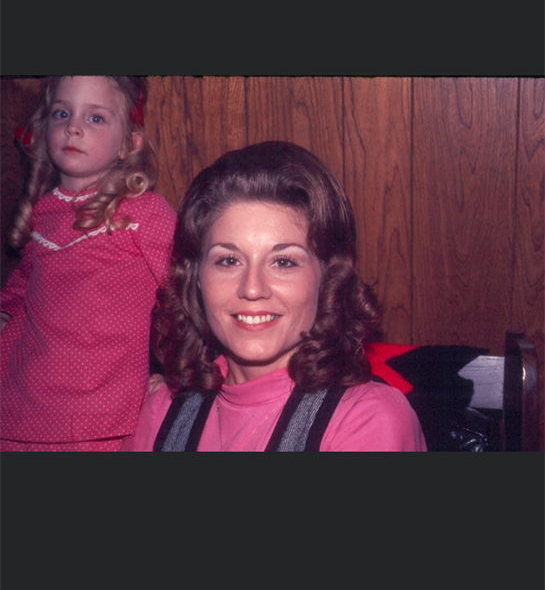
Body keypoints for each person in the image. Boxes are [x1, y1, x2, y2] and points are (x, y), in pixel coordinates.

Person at [125, 141, 426, 452]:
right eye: (228, 261)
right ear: (196, 278)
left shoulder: (367, 419)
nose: (252, 289)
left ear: (327, 278)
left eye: (283, 262)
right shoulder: (164, 412)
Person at [0, 76, 176, 451]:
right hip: (18, 406)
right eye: (62, 113)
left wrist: (181, 376)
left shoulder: (143, 212)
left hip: (99, 417)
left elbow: (192, 289)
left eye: (95, 118)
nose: (73, 127)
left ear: (130, 144)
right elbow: (19, 294)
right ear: (45, 127)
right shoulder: (45, 213)